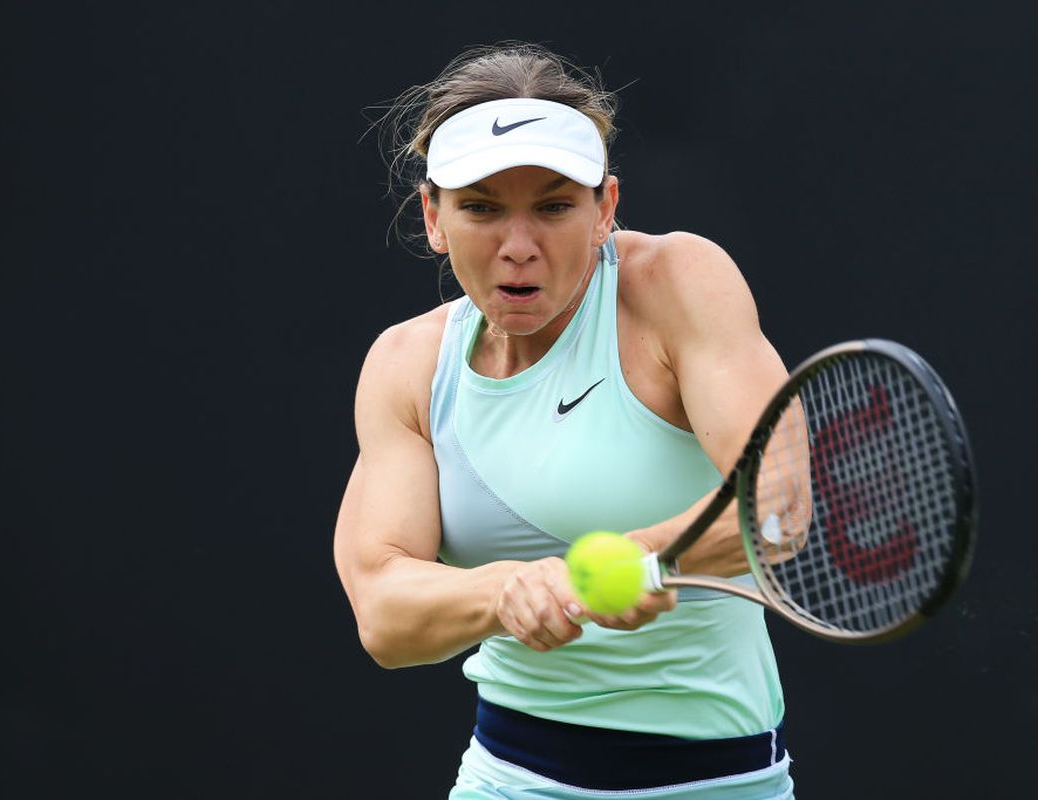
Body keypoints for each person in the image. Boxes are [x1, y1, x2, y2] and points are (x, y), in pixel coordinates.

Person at [334, 42, 795, 799]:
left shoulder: (677, 285)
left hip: (719, 785)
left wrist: (626, 559)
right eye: (481, 207)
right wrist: (509, 590)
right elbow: (384, 612)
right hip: (506, 780)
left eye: (553, 206)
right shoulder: (406, 365)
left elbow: (778, 502)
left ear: (606, 208)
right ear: (434, 217)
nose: (519, 248)